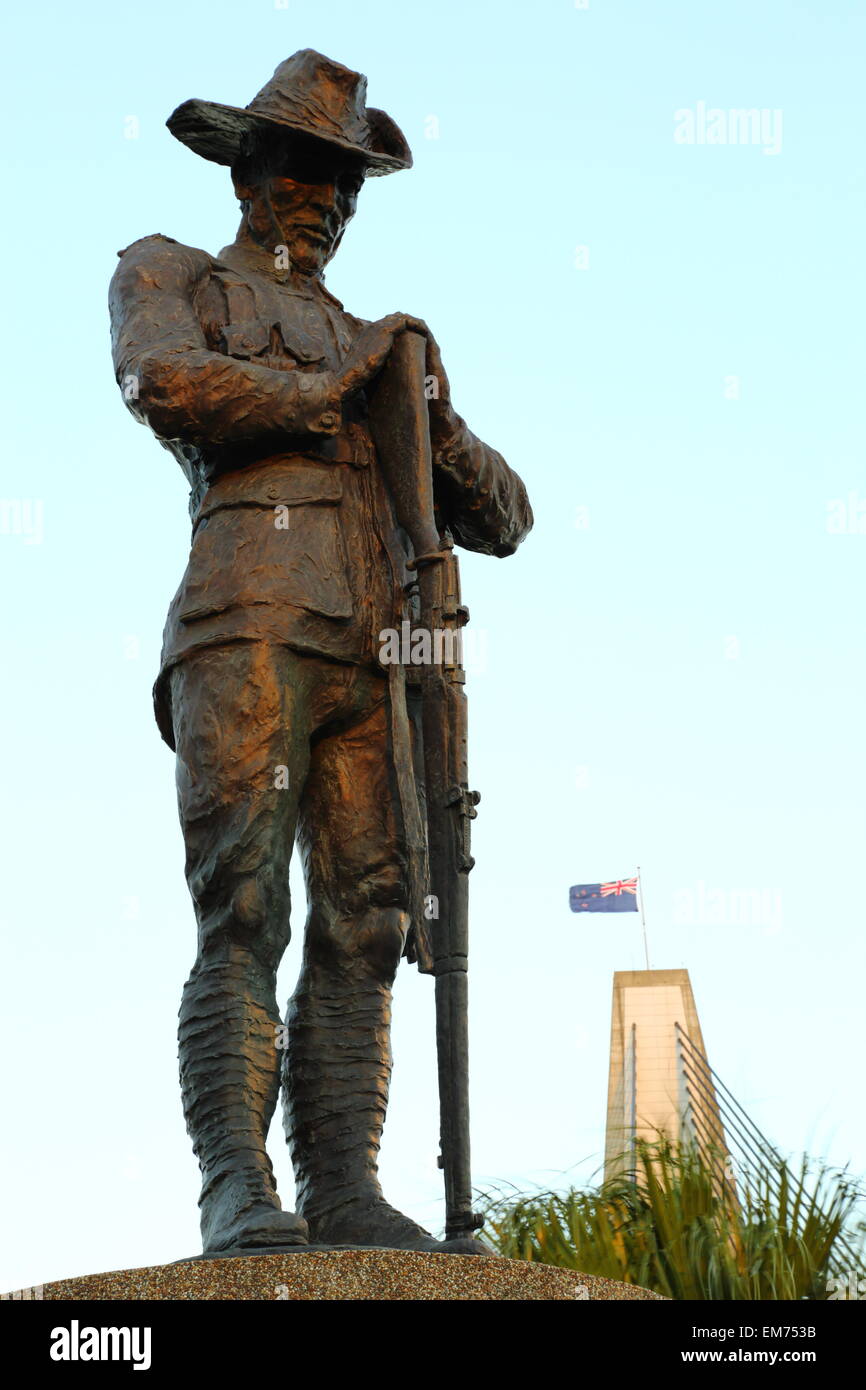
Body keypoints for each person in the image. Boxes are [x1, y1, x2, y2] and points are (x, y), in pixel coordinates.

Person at [109, 50, 532, 1256]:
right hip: (246, 622)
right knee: (241, 910)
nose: (325, 199)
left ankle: (344, 1184)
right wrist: (340, 387)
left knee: (368, 921)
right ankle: (236, 1184)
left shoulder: (381, 342)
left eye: (344, 182)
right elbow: (163, 381)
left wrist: (428, 414)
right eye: (302, 170)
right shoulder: (171, 273)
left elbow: (505, 514)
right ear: (247, 170)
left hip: (380, 660)